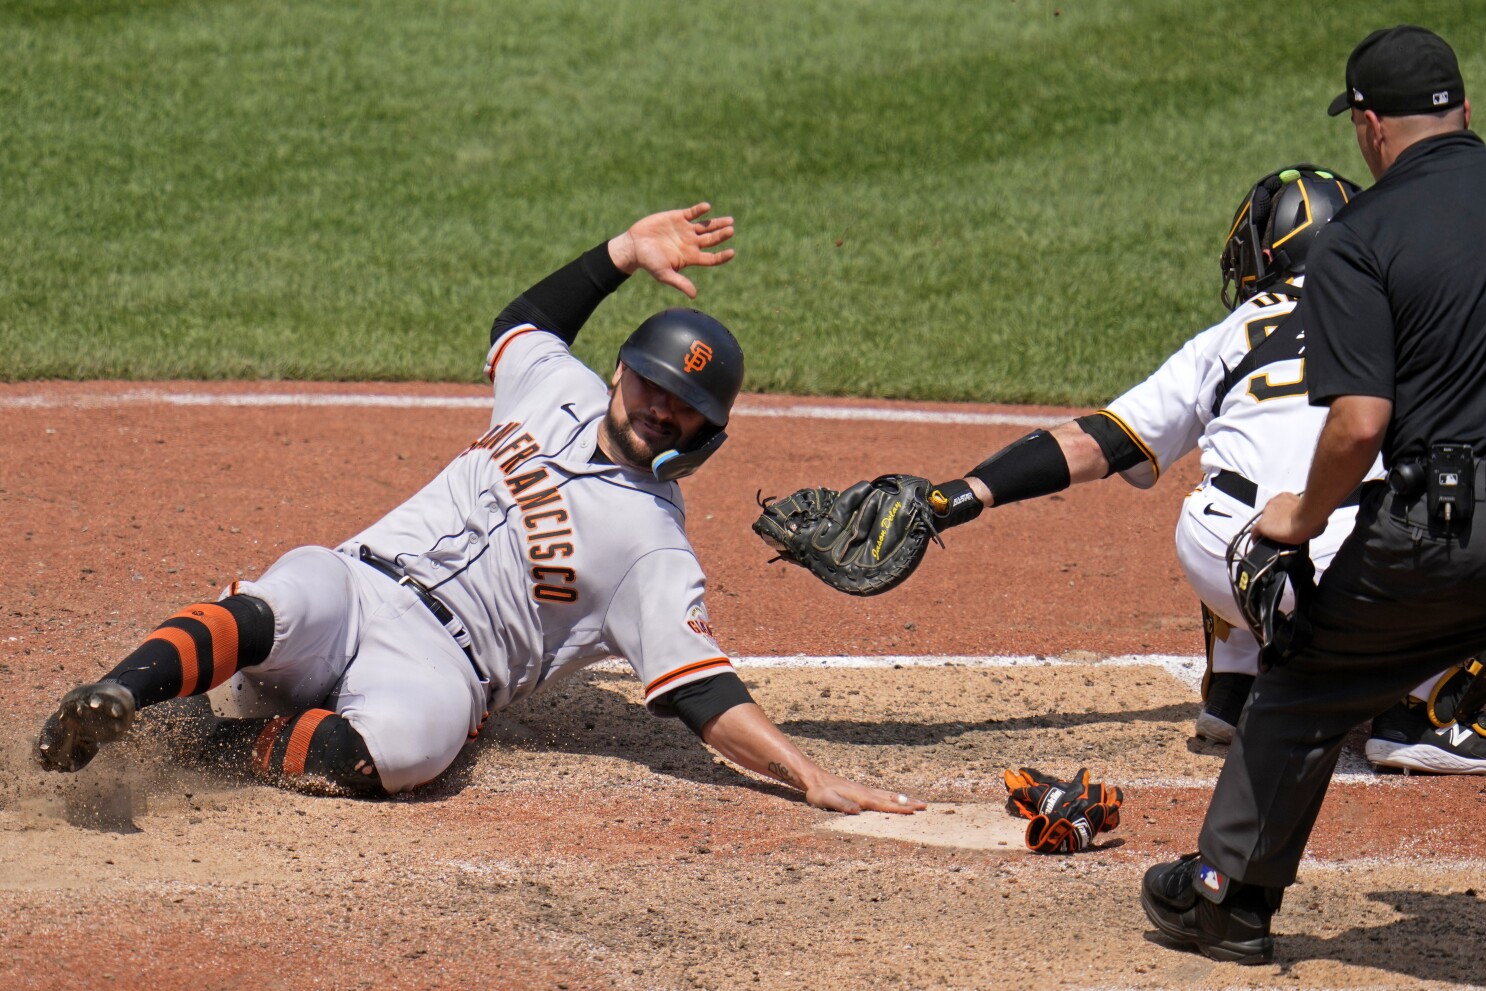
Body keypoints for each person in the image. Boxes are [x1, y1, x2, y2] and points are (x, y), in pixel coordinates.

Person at [33, 202, 926, 817]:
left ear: (708, 431)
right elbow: (522, 321)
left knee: (408, 752)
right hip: (360, 585)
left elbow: (705, 692)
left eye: (685, 407)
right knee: (291, 591)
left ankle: (202, 748)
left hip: (442, 670)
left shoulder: (657, 549)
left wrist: (809, 775)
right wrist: (621, 250)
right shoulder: (554, 389)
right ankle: (115, 694)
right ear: (622, 372)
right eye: (651, 382)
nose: (661, 406)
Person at [1139, 25, 1486, 964]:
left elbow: (1361, 423)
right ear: (1464, 110)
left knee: (1306, 680)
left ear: (1369, 126)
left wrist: (1299, 514)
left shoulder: (1363, 235)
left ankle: (1228, 899)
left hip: (1448, 528)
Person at [911, 163, 1392, 745]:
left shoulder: (1228, 333)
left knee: (1225, 493)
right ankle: (1428, 716)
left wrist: (962, 492)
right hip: (1359, 579)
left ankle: (1238, 683)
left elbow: (1100, 441)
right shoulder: (1407, 318)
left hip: (1230, 558)